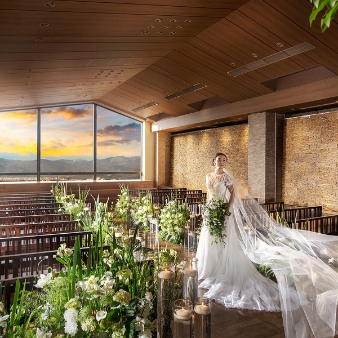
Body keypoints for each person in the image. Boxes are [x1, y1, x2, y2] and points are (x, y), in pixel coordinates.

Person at [196, 152, 338, 338]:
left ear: (225, 162)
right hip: (211, 211)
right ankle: (210, 268)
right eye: (218, 159)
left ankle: (223, 267)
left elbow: (232, 196)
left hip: (224, 213)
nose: (221, 162)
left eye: (223, 159)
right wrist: (208, 211)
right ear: (213, 161)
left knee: (225, 241)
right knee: (210, 240)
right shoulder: (209, 176)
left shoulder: (228, 177)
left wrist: (226, 211)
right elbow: (209, 194)